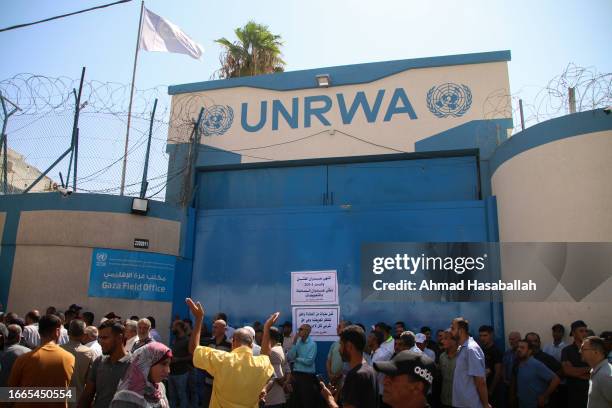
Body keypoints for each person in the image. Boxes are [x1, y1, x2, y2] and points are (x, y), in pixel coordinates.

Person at [187, 298, 276, 407]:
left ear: (233, 342)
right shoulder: (261, 364)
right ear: (252, 345)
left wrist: (199, 318)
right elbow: (266, 355)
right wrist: (267, 328)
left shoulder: (221, 359)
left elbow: (193, 349)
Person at [8, 314, 75, 407]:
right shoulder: (69, 358)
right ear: (57, 332)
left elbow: (10, 394)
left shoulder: (23, 359)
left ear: (39, 332)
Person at [321, 325, 378, 408]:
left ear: (349, 346)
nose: (339, 350)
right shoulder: (370, 370)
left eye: (341, 345)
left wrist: (329, 399)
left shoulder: (355, 375)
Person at [79, 319, 131, 408]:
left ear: (119, 338)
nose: (100, 342)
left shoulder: (133, 365)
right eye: (100, 338)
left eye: (105, 338)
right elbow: (87, 396)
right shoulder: (99, 362)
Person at [110, 341, 172, 407]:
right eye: (163, 364)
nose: (168, 370)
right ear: (147, 364)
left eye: (169, 365)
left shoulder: (159, 388)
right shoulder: (126, 398)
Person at [450, 317, 489, 408]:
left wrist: (485, 405)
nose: (450, 332)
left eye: (453, 328)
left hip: (471, 404)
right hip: (463, 403)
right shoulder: (463, 348)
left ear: (461, 330)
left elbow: (480, 381)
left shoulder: (471, 349)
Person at [511, 339, 560, 408]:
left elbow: (556, 380)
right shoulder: (518, 363)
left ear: (529, 351)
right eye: (518, 347)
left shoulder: (536, 364)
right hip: (522, 403)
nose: (519, 349)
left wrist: (544, 396)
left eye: (522, 348)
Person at [199, 318, 233, 406]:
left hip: (221, 385)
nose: (213, 329)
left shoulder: (230, 345)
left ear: (224, 329)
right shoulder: (209, 342)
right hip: (208, 382)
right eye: (213, 327)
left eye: (216, 327)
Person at [61, 320, 95, 406]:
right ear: (84, 335)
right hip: (78, 399)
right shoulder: (89, 353)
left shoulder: (57, 350)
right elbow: (91, 381)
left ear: (68, 332)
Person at [287, 323, 321, 408]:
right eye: (299, 329)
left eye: (301, 329)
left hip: (307, 376)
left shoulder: (312, 344)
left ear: (307, 332)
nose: (299, 331)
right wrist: (294, 342)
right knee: (296, 401)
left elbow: (309, 361)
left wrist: (297, 359)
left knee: (307, 401)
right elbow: (290, 357)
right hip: (296, 375)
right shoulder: (297, 342)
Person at [562, 320, 591, 408]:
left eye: (586, 331)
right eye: (581, 331)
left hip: (592, 394)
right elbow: (567, 371)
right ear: (574, 333)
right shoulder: (567, 350)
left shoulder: (594, 349)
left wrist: (576, 372)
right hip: (574, 395)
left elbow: (598, 371)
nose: (585, 333)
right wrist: (589, 369)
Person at [580, 336, 612, 408]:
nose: (579, 351)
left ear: (596, 352)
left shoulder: (605, 375)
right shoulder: (597, 371)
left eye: (583, 349)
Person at [264, 326, 291, 408]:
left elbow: (277, 375)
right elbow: (288, 369)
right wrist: (286, 383)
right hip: (278, 397)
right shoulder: (280, 349)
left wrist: (284, 386)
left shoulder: (273, 351)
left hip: (272, 398)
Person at [168, 320, 192, 408]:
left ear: (179, 327)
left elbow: (191, 357)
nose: (172, 328)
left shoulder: (187, 340)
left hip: (181, 373)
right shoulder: (175, 339)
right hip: (171, 372)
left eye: (174, 326)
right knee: (172, 397)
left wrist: (178, 359)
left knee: (181, 396)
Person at [479, 325, 503, 406]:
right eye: (481, 335)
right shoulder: (480, 350)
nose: (482, 338)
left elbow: (498, 373)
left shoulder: (496, 351)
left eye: (485, 335)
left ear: (491, 335)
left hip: (492, 390)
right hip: (482, 388)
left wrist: (490, 391)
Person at [370, 330, 394, 407]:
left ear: (375, 340)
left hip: (379, 393)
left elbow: (372, 375)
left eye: (370, 337)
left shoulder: (381, 355)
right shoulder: (373, 353)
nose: (367, 339)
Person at [327, 320, 350, 390]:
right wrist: (330, 375)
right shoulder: (334, 344)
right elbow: (328, 361)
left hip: (344, 380)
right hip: (332, 380)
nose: (337, 329)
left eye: (339, 327)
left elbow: (348, 363)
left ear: (347, 329)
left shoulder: (350, 345)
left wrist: (337, 376)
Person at [439, 329, 458, 408]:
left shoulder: (463, 357)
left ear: (454, 341)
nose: (442, 341)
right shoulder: (442, 357)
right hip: (445, 400)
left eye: (445, 339)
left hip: (459, 401)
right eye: (442, 339)